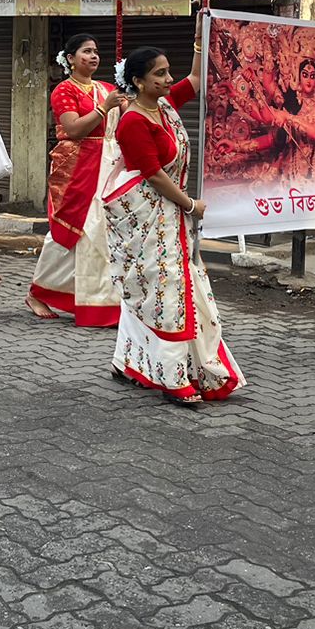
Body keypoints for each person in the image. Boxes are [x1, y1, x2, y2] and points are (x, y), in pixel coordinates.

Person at [105, 45, 245, 405]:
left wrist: (199, 39)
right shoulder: (134, 121)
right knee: (164, 292)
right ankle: (171, 375)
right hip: (151, 215)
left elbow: (196, 80)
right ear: (137, 81)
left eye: (169, 72)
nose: (169, 79)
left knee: (155, 289)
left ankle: (128, 361)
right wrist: (191, 205)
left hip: (170, 215)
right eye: (160, 74)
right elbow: (152, 174)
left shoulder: (163, 107)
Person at [26, 33, 125, 326]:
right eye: (86, 51)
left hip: (108, 166)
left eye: (96, 51)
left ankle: (100, 299)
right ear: (70, 59)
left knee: (102, 233)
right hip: (78, 168)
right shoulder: (63, 91)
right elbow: (74, 129)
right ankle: (38, 291)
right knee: (70, 231)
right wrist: (104, 107)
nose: (94, 56)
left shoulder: (108, 88)